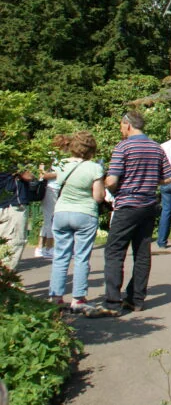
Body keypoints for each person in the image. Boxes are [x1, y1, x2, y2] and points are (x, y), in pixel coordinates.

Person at [103, 111, 171, 314]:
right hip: (148, 204)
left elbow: (111, 180)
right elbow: (170, 177)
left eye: (121, 125)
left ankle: (112, 301)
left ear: (128, 125)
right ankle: (136, 299)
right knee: (142, 253)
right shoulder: (156, 147)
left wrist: (110, 188)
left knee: (114, 251)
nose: (120, 129)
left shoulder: (123, 147)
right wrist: (151, 181)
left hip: (127, 204)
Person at [47, 131, 111, 316]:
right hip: (85, 213)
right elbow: (98, 197)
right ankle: (78, 299)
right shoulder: (94, 168)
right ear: (91, 149)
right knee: (81, 257)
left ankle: (56, 297)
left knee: (60, 256)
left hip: (61, 212)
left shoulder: (61, 164)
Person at [36, 134, 70, 259]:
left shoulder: (61, 157)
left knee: (48, 218)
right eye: (67, 145)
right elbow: (42, 174)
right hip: (51, 188)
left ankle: (41, 247)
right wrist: (59, 174)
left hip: (56, 188)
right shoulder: (51, 156)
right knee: (51, 218)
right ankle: (49, 247)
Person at [0, 168, 37, 270]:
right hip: (12, 204)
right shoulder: (16, 159)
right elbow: (28, 176)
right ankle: (6, 279)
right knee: (15, 242)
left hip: (7, 203)